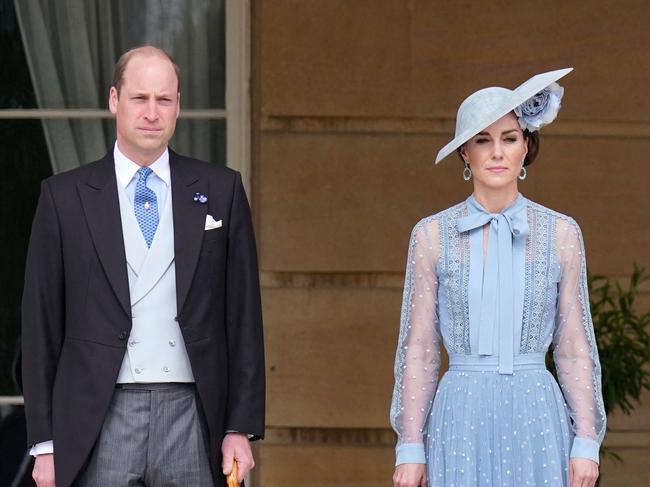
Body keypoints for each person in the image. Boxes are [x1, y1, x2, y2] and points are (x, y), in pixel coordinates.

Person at [21, 45, 265, 487]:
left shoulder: (221, 189)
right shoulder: (64, 197)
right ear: (115, 100)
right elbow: (41, 326)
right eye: (140, 98)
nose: (152, 112)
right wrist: (44, 443)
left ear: (178, 107)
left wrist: (239, 427)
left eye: (164, 99)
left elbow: (243, 318)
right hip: (99, 415)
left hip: (194, 414)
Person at [390, 68, 605, 487]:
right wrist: (410, 445)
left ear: (527, 146)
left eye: (509, 138)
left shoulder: (562, 233)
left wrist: (586, 438)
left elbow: (574, 344)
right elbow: (419, 348)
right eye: (482, 140)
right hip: (460, 414)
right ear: (464, 154)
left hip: (537, 412)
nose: (497, 152)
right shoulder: (431, 235)